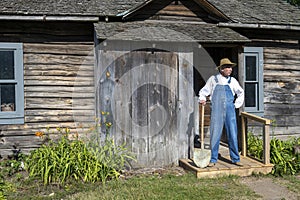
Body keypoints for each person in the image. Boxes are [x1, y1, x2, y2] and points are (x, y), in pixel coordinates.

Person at [198, 58, 244, 167]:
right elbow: (203, 91)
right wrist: (202, 98)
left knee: (232, 133)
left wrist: (236, 105)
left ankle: (235, 159)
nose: (230, 69)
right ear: (222, 69)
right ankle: (213, 159)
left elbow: (241, 93)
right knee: (215, 134)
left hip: (229, 109)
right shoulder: (213, 80)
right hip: (217, 110)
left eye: (230, 67)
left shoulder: (233, 81)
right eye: (228, 67)